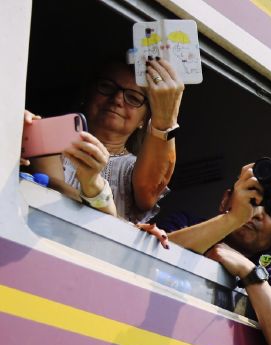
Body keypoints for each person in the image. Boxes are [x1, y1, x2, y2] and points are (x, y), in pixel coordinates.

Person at [166, 163, 271, 345]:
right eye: (253, 199)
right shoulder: (185, 224)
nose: (257, 213)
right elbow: (148, 254)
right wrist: (234, 219)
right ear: (226, 200)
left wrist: (248, 271)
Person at [26, 59, 184, 224]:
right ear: (87, 94)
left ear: (143, 120)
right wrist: (121, 224)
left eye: (133, 97)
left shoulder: (134, 167)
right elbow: (53, 189)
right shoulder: (50, 136)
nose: (117, 99)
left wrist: (166, 118)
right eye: (107, 87)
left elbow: (149, 193)